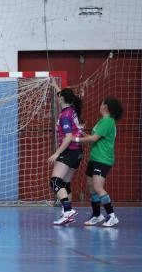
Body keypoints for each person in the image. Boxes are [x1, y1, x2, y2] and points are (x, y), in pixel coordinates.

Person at [74, 97, 123, 227]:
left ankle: (112, 215)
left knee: (98, 187)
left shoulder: (108, 121)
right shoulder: (102, 121)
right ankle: (97, 215)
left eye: (101, 104)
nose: (99, 106)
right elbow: (93, 138)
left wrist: (76, 140)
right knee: (91, 187)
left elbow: (94, 138)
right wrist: (81, 132)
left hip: (103, 159)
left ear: (105, 106)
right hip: (94, 158)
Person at [49, 85, 84, 225]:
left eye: (59, 96)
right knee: (65, 183)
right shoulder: (72, 109)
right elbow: (64, 96)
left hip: (69, 151)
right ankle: (67, 215)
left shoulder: (65, 115)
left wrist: (57, 153)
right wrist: (56, 86)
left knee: (55, 181)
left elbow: (68, 137)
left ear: (62, 98)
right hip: (77, 152)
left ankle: (68, 210)